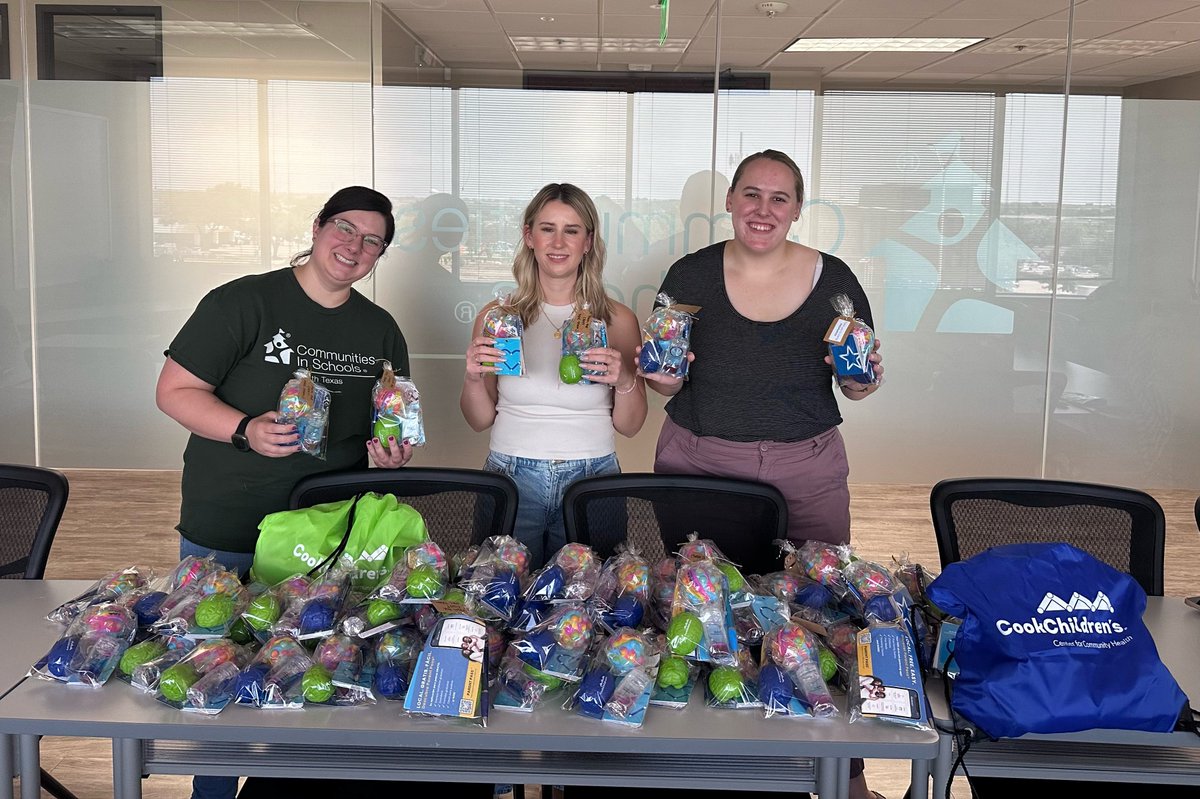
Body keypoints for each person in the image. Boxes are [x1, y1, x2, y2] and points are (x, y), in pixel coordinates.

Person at [155, 185, 412, 799]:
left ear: (380, 253)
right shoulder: (243, 301)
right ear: (318, 226)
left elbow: (392, 422)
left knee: (313, 674)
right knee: (212, 670)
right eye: (344, 228)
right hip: (231, 524)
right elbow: (174, 391)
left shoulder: (379, 330)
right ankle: (211, 793)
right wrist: (244, 429)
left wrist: (393, 454)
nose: (354, 245)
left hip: (322, 539)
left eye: (371, 239)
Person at [641, 150, 884, 799]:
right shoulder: (690, 274)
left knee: (822, 614)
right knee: (697, 612)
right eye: (751, 194)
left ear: (799, 208)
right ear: (730, 200)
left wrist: (864, 375)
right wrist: (659, 369)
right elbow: (667, 378)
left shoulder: (834, 281)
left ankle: (841, 772)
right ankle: (698, 761)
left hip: (806, 468)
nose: (763, 209)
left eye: (780, 198)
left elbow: (855, 385)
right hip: (699, 461)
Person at [461, 183, 647, 569]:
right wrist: (474, 378)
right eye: (547, 228)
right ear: (529, 236)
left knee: (592, 605)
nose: (558, 242)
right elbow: (479, 419)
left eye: (572, 230)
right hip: (510, 474)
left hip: (592, 476)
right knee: (498, 599)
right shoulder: (497, 317)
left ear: (588, 241)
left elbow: (631, 426)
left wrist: (625, 380)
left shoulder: (617, 319)